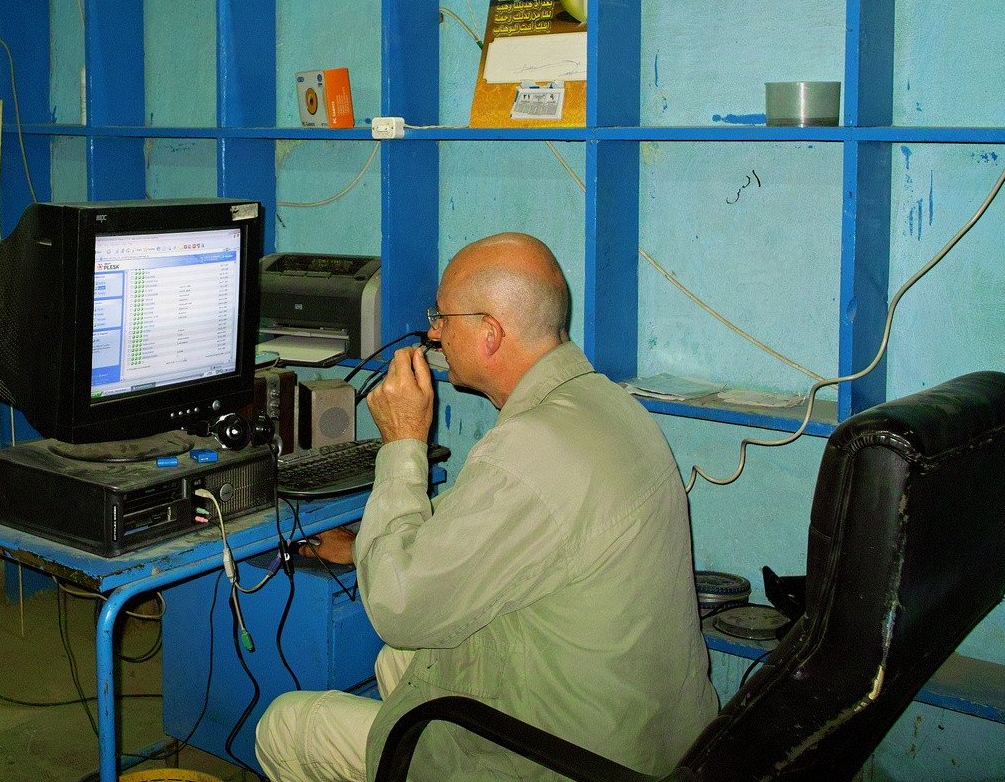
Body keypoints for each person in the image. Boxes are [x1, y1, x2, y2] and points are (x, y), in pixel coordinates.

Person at [254, 233, 717, 782]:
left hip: (570, 762)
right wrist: (361, 545)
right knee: (397, 663)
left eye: (443, 317)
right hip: (656, 741)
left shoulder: (528, 450)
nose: (433, 333)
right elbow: (491, 523)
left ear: (491, 334)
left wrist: (403, 441)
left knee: (287, 725)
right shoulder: (603, 404)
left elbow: (397, 608)